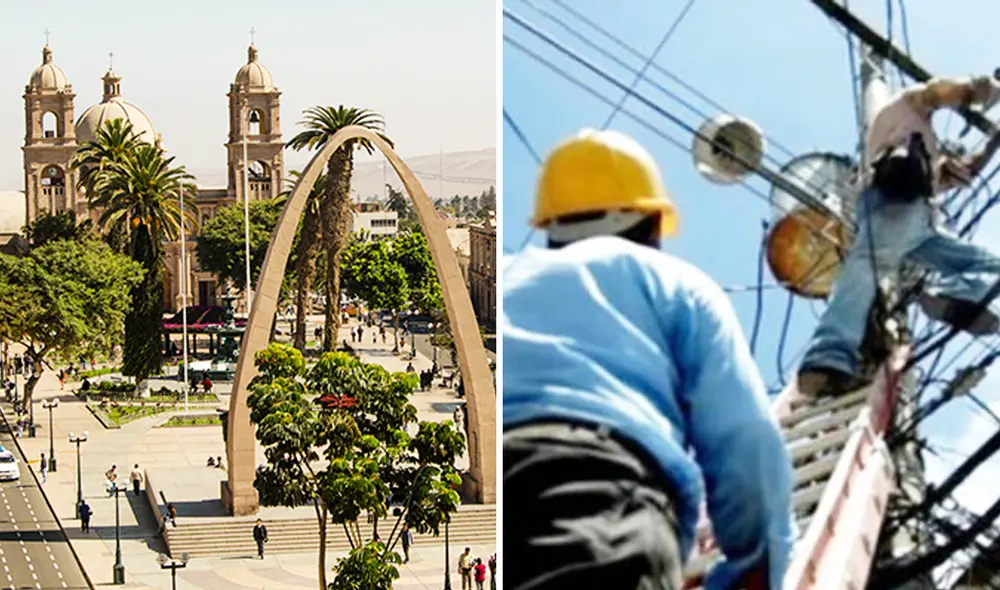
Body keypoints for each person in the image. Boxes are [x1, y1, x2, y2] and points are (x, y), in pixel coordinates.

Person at [503, 129, 793, 590]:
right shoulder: (674, 281)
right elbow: (745, 437)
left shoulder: (507, 274)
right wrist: (756, 563)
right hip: (596, 494)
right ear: (652, 223)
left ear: (549, 225)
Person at [798, 75, 1000, 398]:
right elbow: (936, 93)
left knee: (989, 265)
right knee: (868, 264)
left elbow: (969, 169)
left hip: (921, 225)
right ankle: (828, 357)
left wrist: (994, 141)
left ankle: (950, 294)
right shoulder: (904, 109)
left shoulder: (929, 159)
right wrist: (976, 89)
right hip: (891, 200)